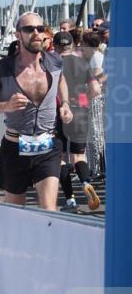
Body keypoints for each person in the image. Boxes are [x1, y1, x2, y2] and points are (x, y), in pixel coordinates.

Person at [0, 12, 72, 211]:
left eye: (40, 28)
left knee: (49, 210)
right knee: (15, 213)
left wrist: (65, 104)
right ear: (18, 35)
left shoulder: (54, 61)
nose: (36, 33)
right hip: (15, 147)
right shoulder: (1, 69)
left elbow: (61, 80)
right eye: (29, 29)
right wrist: (5, 106)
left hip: (48, 145)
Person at [55, 31, 101, 211]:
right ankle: (85, 183)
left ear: (55, 46)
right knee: (79, 156)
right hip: (81, 111)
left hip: (60, 112)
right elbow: (96, 88)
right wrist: (84, 100)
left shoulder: (53, 63)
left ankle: (70, 200)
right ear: (72, 44)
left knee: (61, 159)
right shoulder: (82, 62)